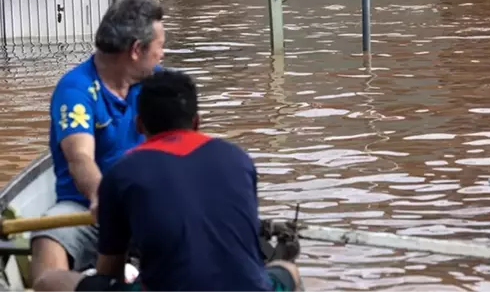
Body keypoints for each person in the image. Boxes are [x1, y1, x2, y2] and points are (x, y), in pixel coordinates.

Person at [34, 69, 303, 292]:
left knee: (50, 281)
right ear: (197, 122)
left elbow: (109, 273)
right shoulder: (239, 160)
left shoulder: (122, 173)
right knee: (288, 270)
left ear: (139, 125)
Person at [31, 0, 165, 291]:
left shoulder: (160, 86)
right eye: (159, 48)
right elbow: (80, 157)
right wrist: (102, 196)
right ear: (136, 50)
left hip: (148, 205)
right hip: (86, 206)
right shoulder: (76, 88)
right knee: (46, 242)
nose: (162, 55)